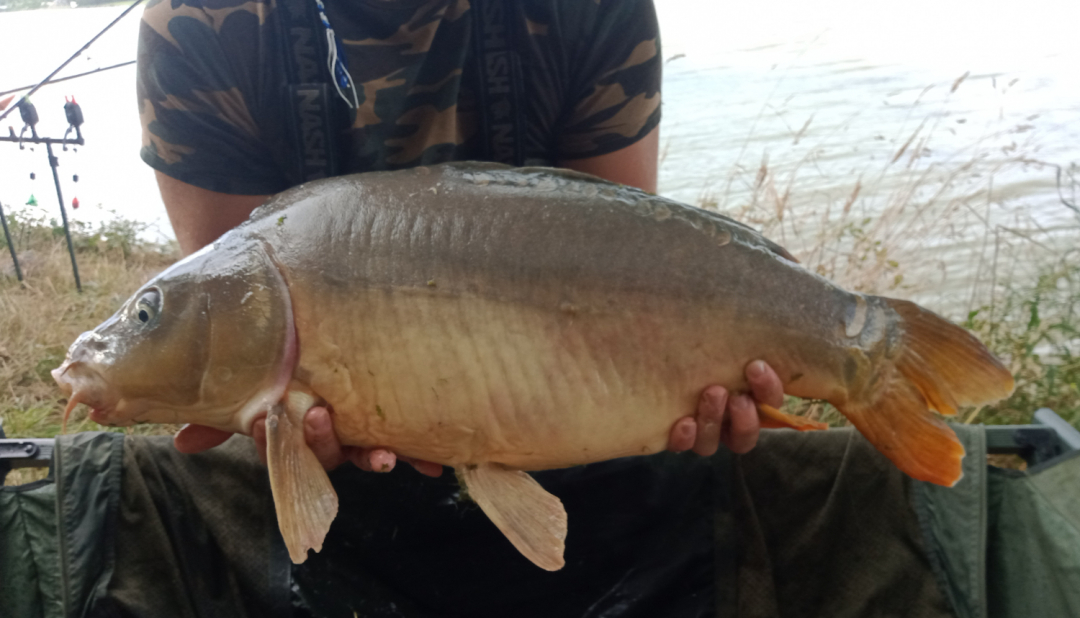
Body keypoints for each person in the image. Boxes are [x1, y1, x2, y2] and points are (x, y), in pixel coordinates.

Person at [136, 0, 783, 472]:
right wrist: (279, 421)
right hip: (348, 462)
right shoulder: (200, 23)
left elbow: (630, 251)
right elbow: (229, 319)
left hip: (572, 410)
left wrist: (689, 371)